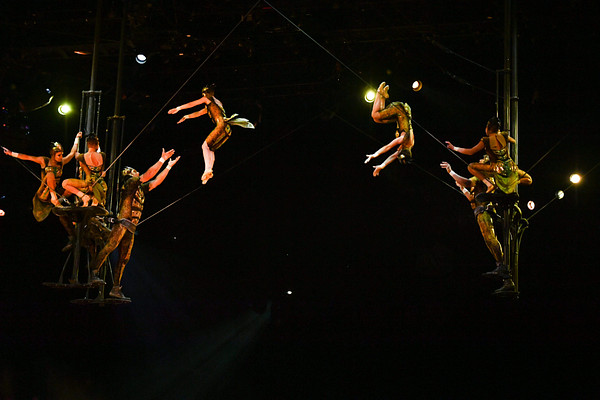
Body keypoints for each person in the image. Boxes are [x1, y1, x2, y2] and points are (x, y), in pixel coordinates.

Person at [88, 148, 180, 300]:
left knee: (124, 258)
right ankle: (93, 272)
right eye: (135, 171)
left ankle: (116, 288)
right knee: (111, 246)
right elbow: (148, 175)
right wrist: (161, 160)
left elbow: (155, 182)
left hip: (131, 227)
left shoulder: (140, 188)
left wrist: (168, 167)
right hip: (123, 222)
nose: (137, 173)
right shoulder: (130, 183)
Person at [441, 159, 532, 293]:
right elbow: (471, 198)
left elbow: (467, 182)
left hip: (484, 209)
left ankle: (503, 266)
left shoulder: (483, 176)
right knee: (489, 239)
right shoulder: (485, 178)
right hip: (482, 209)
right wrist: (463, 188)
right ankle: (503, 269)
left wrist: (451, 172)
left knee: (490, 237)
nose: (479, 162)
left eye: (482, 161)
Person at [168, 83, 254, 184]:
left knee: (204, 146)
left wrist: (178, 108)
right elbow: (199, 113)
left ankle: (207, 169)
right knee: (210, 148)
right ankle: (209, 170)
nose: (203, 96)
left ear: (207, 93)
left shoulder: (207, 99)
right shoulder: (215, 104)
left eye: (204, 94)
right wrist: (186, 116)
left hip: (221, 125)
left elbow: (193, 103)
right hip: (227, 129)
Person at [3, 132, 81, 222]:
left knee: (70, 185)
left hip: (56, 192)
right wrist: (11, 153)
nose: (61, 157)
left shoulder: (62, 162)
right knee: (50, 173)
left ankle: (75, 200)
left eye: (62, 154)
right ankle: (54, 199)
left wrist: (77, 138)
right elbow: (27, 157)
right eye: (59, 155)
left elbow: (72, 153)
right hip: (45, 193)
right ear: (53, 155)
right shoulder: (44, 161)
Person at [445, 117, 519, 194]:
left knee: (470, 167)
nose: (481, 161)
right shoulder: (504, 135)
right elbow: (514, 141)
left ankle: (489, 184)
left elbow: (471, 152)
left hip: (496, 167)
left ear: (487, 128)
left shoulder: (486, 140)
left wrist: (454, 148)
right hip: (508, 165)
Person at [364, 82, 414, 176]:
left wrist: (382, 166)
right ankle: (379, 92)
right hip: (399, 110)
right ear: (402, 149)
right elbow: (388, 147)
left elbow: (392, 156)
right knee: (374, 115)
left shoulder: (407, 146)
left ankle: (383, 95)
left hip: (398, 117)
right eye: (398, 151)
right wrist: (375, 155)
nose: (397, 151)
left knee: (377, 120)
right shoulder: (404, 140)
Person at [62, 135, 107, 207]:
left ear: (88, 144)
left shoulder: (82, 157)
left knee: (65, 183)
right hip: (101, 184)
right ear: (97, 145)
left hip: (88, 183)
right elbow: (102, 170)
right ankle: (93, 199)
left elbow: (74, 153)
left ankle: (84, 197)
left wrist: (77, 138)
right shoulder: (103, 155)